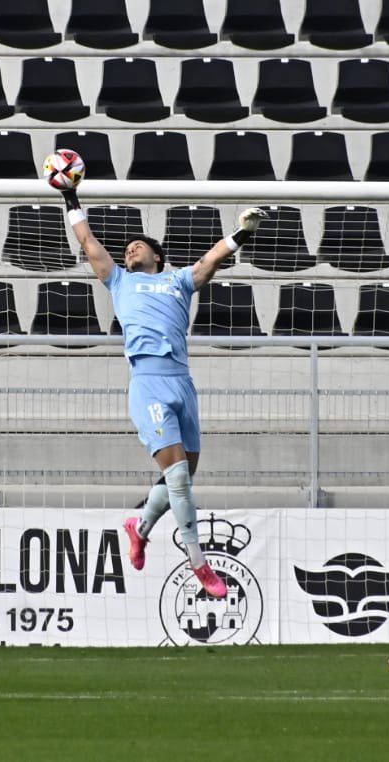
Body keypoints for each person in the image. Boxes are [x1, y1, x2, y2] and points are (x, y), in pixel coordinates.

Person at [58, 182, 265, 597]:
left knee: (184, 473)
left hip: (182, 383)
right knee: (180, 481)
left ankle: (140, 525)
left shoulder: (178, 282)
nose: (131, 249)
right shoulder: (117, 280)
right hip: (149, 384)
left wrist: (241, 233)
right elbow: (87, 239)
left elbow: (209, 261)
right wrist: (70, 196)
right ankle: (200, 565)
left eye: (139, 246)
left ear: (158, 256)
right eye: (129, 247)